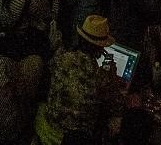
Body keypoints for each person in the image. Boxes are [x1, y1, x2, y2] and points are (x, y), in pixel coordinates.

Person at [35, 15, 125, 145]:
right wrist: (113, 79)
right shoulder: (100, 77)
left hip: (50, 126)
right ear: (100, 49)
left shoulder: (60, 57)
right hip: (77, 138)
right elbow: (117, 106)